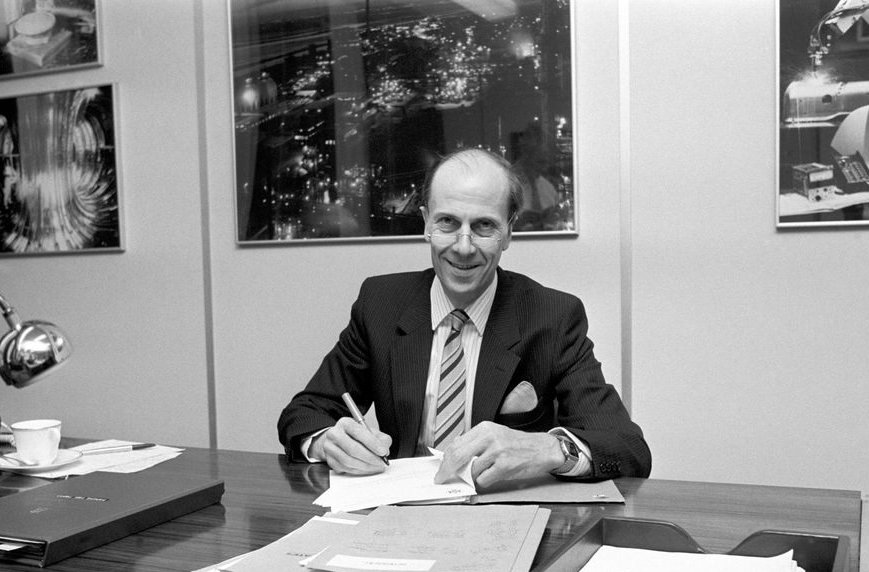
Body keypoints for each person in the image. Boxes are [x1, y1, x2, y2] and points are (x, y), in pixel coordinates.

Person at [277, 148, 650, 487]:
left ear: (509, 232)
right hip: (400, 518)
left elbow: (627, 447)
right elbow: (303, 412)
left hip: (509, 523)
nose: (464, 246)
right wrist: (328, 441)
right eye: (448, 223)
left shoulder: (552, 316)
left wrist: (547, 449)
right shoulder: (380, 304)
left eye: (484, 225)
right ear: (426, 224)